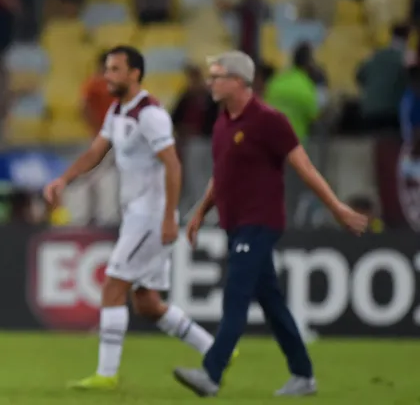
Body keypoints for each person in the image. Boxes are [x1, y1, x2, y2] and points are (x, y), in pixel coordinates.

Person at [172, 51, 368, 397]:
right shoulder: (222, 121)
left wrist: (337, 207)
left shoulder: (269, 121)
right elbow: (222, 175)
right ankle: (303, 375)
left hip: (259, 222)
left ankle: (211, 374)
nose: (210, 83)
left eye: (217, 76)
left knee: (236, 293)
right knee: (272, 302)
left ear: (238, 81)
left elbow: (304, 166)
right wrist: (201, 211)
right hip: (235, 223)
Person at [44, 45, 216, 391]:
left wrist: (169, 217)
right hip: (137, 214)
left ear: (134, 73)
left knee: (112, 286)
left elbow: (173, 164)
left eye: (115, 70)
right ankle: (216, 350)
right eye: (106, 69)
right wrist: (64, 179)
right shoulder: (118, 112)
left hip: (150, 216)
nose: (107, 76)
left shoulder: (150, 114)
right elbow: (96, 151)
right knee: (148, 303)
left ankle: (107, 374)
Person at [263, 42, 320, 141]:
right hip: (293, 145)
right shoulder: (307, 86)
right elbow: (314, 116)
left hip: (270, 144)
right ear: (309, 64)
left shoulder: (276, 80)